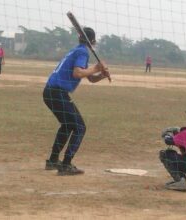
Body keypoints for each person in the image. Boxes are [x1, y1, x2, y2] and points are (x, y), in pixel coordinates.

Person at [43, 27, 110, 176]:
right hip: (56, 92)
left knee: (68, 125)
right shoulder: (82, 52)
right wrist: (96, 67)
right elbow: (77, 73)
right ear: (93, 41)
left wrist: (101, 74)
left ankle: (53, 160)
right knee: (80, 127)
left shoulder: (77, 50)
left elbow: (90, 78)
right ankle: (66, 164)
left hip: (50, 92)